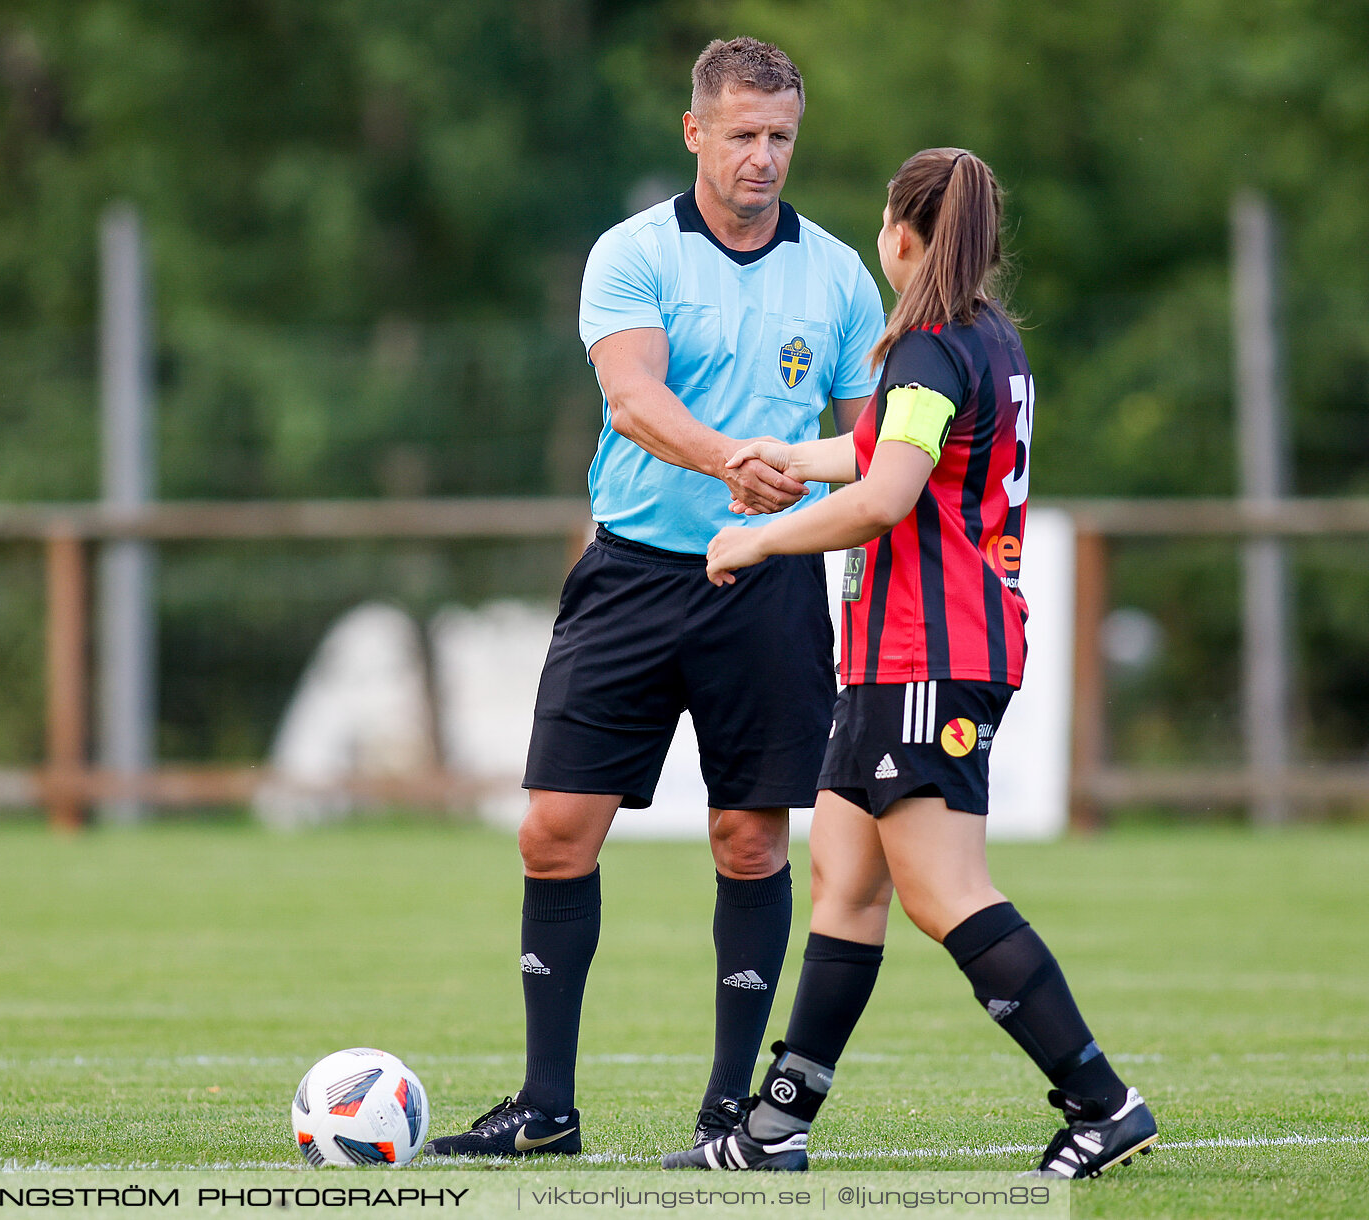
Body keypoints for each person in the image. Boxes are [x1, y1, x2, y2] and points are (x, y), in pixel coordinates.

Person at [424, 37, 884, 1158]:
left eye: (780, 136)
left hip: (768, 582)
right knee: (553, 829)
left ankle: (732, 1110)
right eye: (741, 135)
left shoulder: (836, 275)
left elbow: (874, 440)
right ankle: (546, 1107)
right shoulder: (632, 254)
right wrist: (738, 457)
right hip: (631, 572)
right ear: (695, 133)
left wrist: (800, 511)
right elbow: (631, 400)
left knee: (747, 839)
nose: (763, 157)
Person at [662, 149, 1158, 1178]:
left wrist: (759, 536)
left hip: (927, 654)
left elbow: (888, 495)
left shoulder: (930, 346)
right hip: (895, 659)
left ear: (902, 231)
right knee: (845, 882)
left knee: (944, 891)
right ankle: (776, 1128)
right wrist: (787, 455)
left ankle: (1102, 1100)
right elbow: (885, 455)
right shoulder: (984, 337)